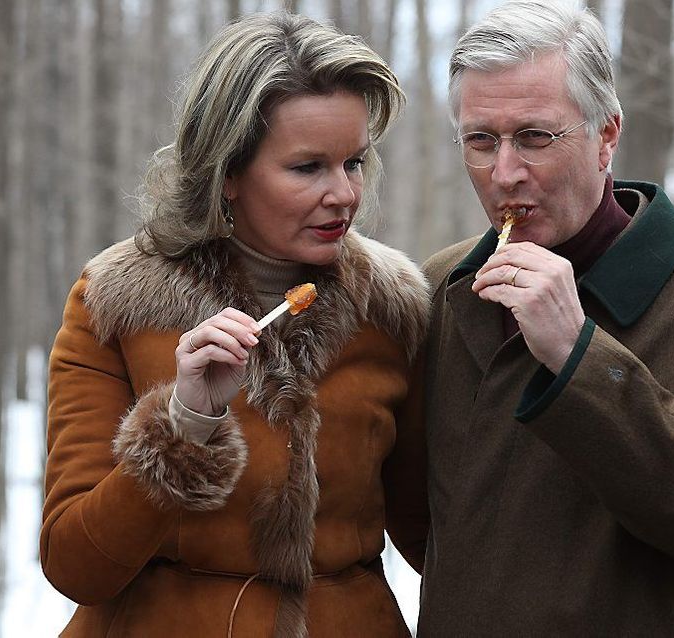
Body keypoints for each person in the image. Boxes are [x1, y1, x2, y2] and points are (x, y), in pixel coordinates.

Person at [406, 1, 674, 635]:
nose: (505, 173)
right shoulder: (443, 290)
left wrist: (580, 358)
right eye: (481, 140)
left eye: (535, 137)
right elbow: (425, 524)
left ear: (607, 136)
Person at [41, 12, 429, 637]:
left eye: (354, 162)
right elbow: (74, 565)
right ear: (227, 174)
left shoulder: (391, 309)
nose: (344, 194)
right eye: (308, 168)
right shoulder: (116, 304)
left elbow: (434, 536)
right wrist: (185, 425)